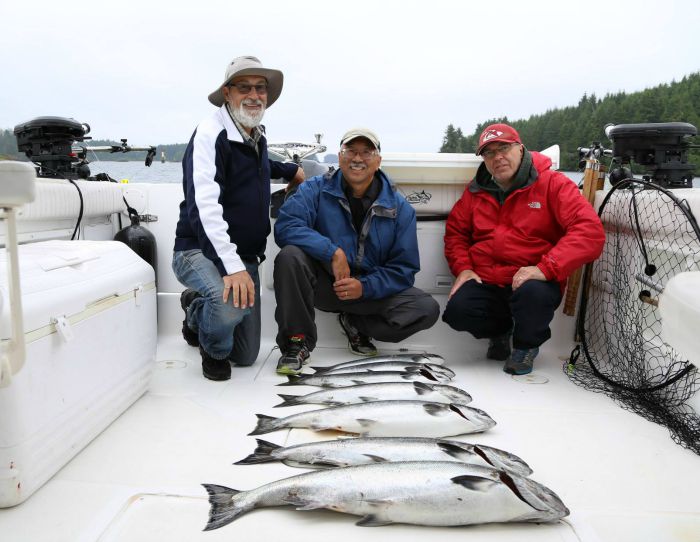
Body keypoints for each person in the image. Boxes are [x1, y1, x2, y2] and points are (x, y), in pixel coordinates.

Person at [172, 56, 304, 381]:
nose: (254, 94)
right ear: (227, 92)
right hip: (199, 250)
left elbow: (259, 166)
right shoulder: (210, 133)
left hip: (245, 256)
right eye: (244, 87)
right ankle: (210, 344)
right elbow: (204, 207)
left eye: (261, 88)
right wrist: (231, 268)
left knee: (245, 356)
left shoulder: (253, 134)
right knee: (229, 307)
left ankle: (196, 312)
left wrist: (293, 171)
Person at [273, 127, 440, 375]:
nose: (358, 158)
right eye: (350, 151)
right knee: (290, 256)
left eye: (366, 152)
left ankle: (355, 324)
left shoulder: (400, 207)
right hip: (325, 287)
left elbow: (403, 270)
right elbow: (286, 226)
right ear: (340, 157)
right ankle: (296, 343)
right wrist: (332, 252)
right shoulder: (314, 189)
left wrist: (365, 287)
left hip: (369, 295)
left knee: (425, 309)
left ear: (378, 160)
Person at [442, 123, 605, 375]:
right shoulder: (475, 190)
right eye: (489, 153)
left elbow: (590, 232)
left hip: (533, 278)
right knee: (457, 312)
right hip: (488, 278)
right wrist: (463, 268)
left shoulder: (554, 184)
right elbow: (456, 233)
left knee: (534, 295)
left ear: (520, 148)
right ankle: (500, 332)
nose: (498, 157)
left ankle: (526, 346)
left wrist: (546, 268)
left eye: (504, 148)